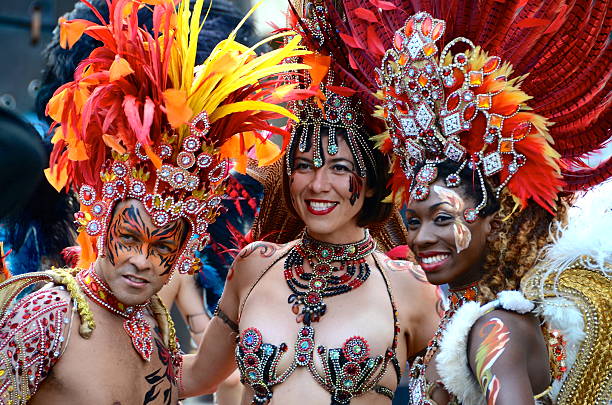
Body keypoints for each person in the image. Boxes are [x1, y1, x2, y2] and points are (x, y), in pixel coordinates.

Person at [0, 0, 307, 402]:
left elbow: (192, 379)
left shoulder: (149, 321)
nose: (143, 260)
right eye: (130, 237)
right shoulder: (47, 314)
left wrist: (240, 288)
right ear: (100, 218)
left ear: (184, 252)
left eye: (163, 246)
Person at [329, 3, 609, 404]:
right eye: (413, 220)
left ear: (497, 220)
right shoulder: (492, 316)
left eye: (443, 218)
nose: (422, 238)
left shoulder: (495, 329)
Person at [180, 3, 442, 404]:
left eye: (339, 168)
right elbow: (197, 376)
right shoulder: (253, 266)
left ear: (371, 183)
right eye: (304, 165)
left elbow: (450, 391)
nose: (319, 184)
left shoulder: (410, 290)